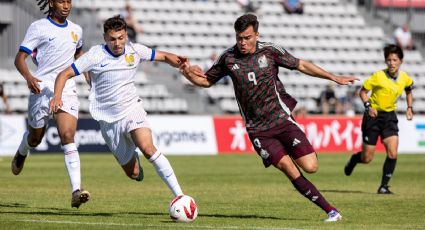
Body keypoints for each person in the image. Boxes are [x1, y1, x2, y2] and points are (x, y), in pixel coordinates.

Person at [180, 14, 358, 222]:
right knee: (288, 168)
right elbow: (206, 81)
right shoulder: (228, 58)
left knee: (311, 166)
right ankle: (331, 211)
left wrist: (333, 77)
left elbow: (301, 65)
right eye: (239, 38)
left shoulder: (271, 51)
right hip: (258, 130)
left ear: (257, 34)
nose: (243, 43)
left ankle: (290, 153)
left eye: (247, 37)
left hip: (282, 120)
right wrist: (187, 73)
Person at [50, 16, 184, 200]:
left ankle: (180, 196)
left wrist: (182, 64)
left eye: (121, 38)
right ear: (105, 38)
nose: (117, 43)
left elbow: (164, 56)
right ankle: (134, 162)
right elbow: (64, 74)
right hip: (108, 120)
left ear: (126, 36)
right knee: (134, 173)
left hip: (132, 110)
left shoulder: (135, 50)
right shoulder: (95, 55)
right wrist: (57, 96)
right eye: (112, 39)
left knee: (148, 148)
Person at [11, 0, 90, 208]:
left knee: (67, 136)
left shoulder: (77, 30)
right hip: (42, 87)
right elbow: (20, 58)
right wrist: (29, 77)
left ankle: (76, 190)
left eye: (69, 1)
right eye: (61, 1)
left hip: (67, 88)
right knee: (36, 138)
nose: (66, 5)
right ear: (51, 2)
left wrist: (89, 77)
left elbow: (79, 54)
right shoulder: (38, 27)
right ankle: (23, 148)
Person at [344, 44, 414, 194]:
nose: (391, 63)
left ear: (401, 61)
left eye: (395, 60)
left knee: (393, 153)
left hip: (389, 117)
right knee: (367, 158)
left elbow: (409, 89)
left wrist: (409, 107)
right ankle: (355, 159)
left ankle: (383, 187)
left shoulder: (405, 78)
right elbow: (362, 92)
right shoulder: (378, 76)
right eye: (389, 60)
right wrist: (369, 106)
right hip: (372, 117)